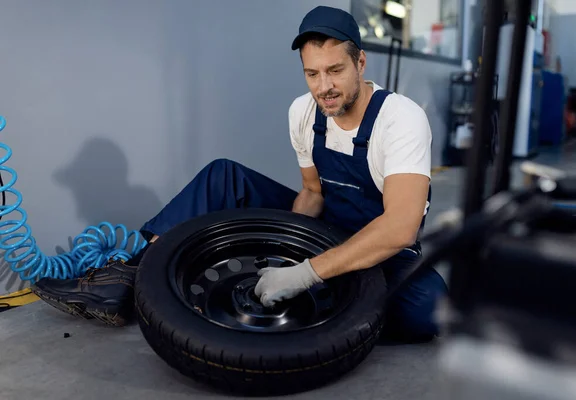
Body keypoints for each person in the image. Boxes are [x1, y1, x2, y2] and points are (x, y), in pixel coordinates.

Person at [32, 6, 448, 341]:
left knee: (428, 311)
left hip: (384, 249)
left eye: (335, 70)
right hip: (326, 227)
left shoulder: (400, 119)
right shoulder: (304, 112)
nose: (324, 87)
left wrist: (305, 273)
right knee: (224, 177)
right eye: (312, 73)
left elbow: (399, 228)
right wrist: (284, 251)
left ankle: (335, 299)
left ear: (360, 61)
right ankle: (129, 279)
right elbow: (311, 194)